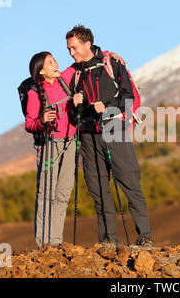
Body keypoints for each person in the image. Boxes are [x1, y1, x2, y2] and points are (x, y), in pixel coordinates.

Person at [66, 25, 154, 248]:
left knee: (129, 181)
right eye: (68, 49)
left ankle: (145, 236)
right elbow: (72, 109)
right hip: (88, 135)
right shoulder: (75, 74)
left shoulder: (112, 64)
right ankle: (108, 240)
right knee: (97, 188)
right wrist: (75, 105)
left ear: (87, 43)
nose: (71, 53)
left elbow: (128, 96)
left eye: (74, 48)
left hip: (114, 130)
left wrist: (106, 106)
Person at [26, 50, 121, 248]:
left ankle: (56, 242)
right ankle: (43, 243)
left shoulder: (65, 78)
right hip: (50, 144)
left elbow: (84, 57)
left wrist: (106, 54)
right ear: (42, 71)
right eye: (50, 63)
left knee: (63, 192)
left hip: (70, 142)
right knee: (46, 193)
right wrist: (42, 120)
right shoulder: (34, 93)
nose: (56, 64)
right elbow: (29, 124)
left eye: (54, 61)